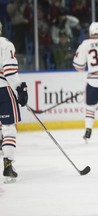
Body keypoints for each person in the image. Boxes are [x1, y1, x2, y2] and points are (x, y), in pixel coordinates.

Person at [0, 21, 28, 183]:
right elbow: (10, 71)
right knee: (9, 126)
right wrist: (19, 88)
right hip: (3, 89)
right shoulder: (5, 45)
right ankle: (8, 164)